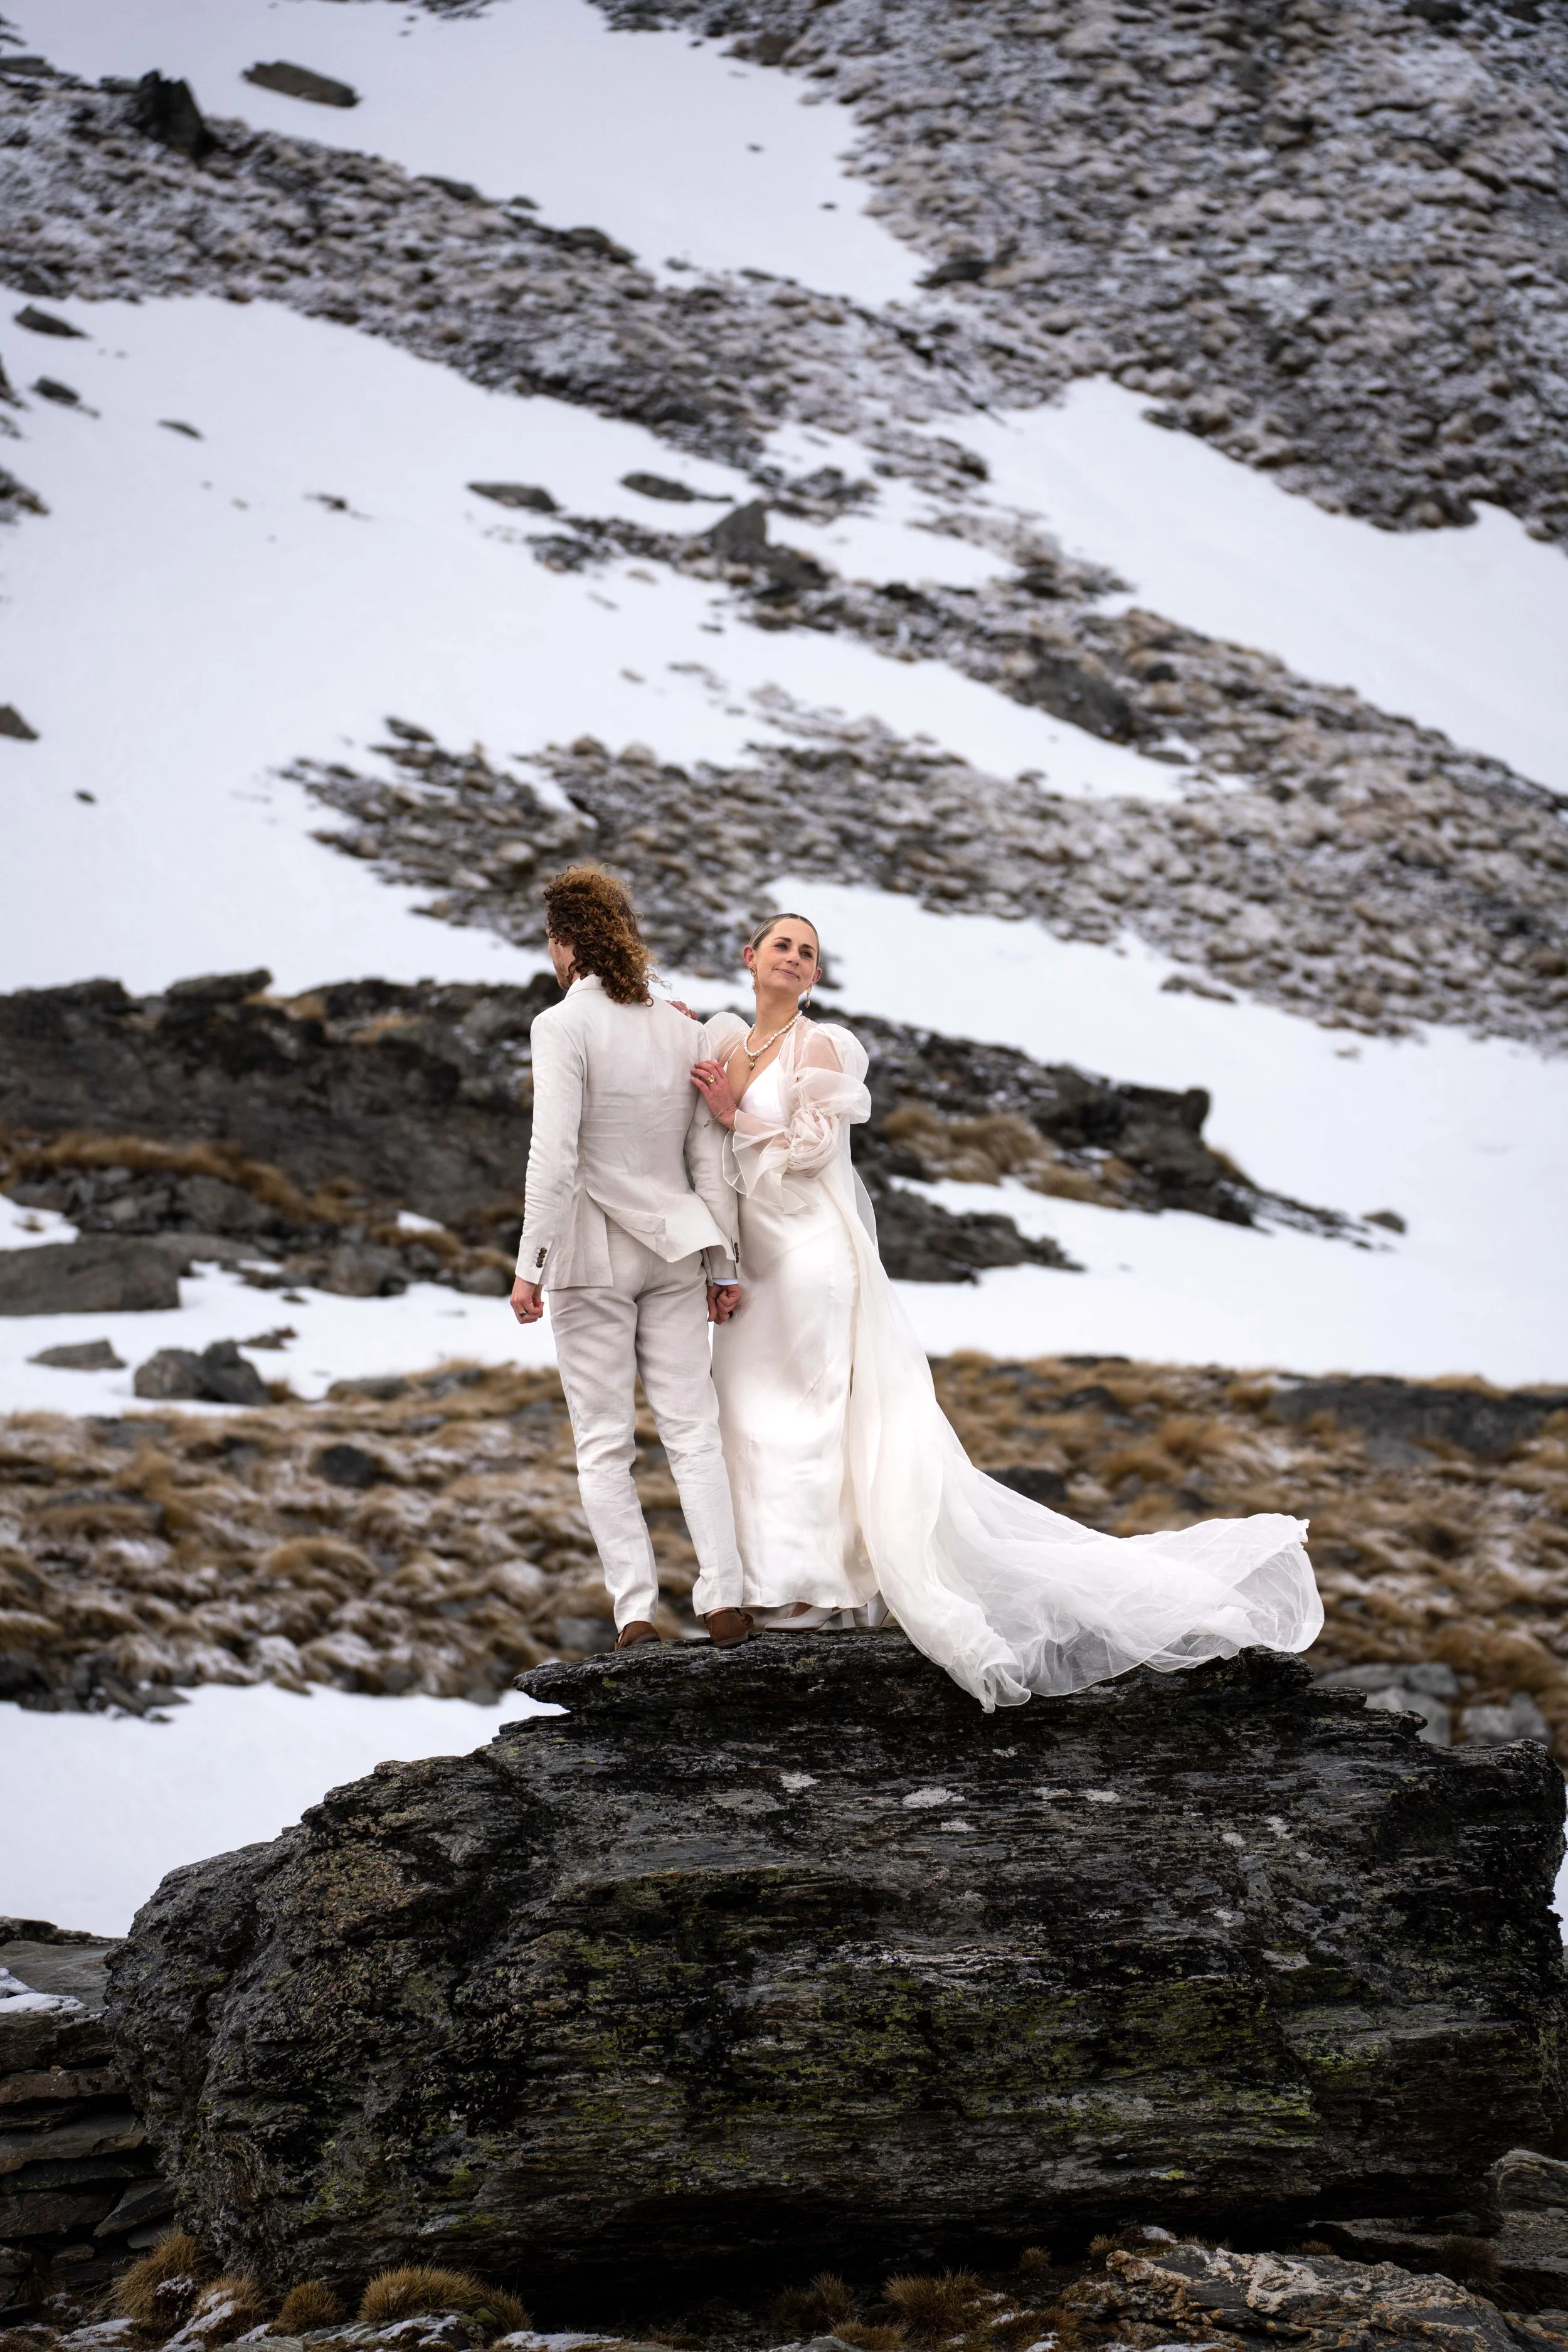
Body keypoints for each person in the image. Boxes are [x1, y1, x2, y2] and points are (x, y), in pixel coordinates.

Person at [689, 913, 1324, 1711]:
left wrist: (732, 1118)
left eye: (807, 952)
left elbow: (810, 1149)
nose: (793, 958)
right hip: (754, 1259)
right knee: (746, 1411)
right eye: (780, 945)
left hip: (812, 1254)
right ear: (750, 960)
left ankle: (815, 1589)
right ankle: (769, 1577)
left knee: (810, 1410)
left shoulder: (821, 1047)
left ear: (815, 977)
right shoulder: (724, 1042)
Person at [511, 866, 753, 1651]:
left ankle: (636, 1613)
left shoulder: (562, 1025)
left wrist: (528, 1264)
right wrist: (723, 1263)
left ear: (565, 942)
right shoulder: (680, 1028)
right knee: (693, 1430)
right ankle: (724, 1600)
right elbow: (707, 1158)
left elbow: (553, 1157)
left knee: (605, 1443)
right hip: (679, 1247)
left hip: (590, 1252)